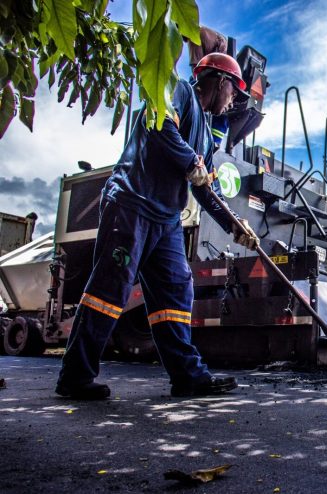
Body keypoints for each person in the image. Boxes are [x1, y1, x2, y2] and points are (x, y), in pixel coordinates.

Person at [56, 53, 259, 400]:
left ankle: (187, 376)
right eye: (233, 93)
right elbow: (159, 125)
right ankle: (75, 376)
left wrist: (233, 224)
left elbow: (204, 187)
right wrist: (188, 161)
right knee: (110, 288)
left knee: (176, 291)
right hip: (132, 203)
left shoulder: (206, 140)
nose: (232, 102)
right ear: (221, 81)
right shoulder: (178, 90)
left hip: (166, 220)